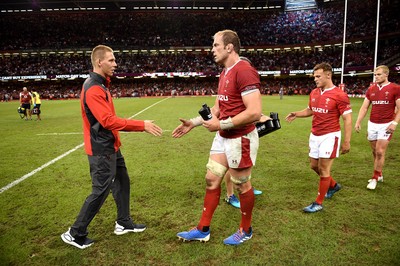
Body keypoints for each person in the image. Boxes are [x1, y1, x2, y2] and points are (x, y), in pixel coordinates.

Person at [61, 45, 163, 249]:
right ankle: (75, 232)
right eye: (111, 60)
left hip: (110, 146)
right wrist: (142, 125)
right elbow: (107, 121)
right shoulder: (94, 88)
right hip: (101, 150)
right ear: (99, 62)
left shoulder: (101, 85)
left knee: (123, 181)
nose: (116, 64)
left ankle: (123, 222)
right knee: (100, 190)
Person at [172, 30, 262, 245]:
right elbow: (218, 108)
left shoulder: (244, 71)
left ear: (229, 47)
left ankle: (246, 229)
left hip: (240, 138)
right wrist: (193, 123)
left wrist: (220, 124)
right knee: (212, 179)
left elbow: (255, 112)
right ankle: (203, 229)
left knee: (241, 185)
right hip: (223, 135)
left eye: (215, 45)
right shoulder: (224, 73)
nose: (212, 50)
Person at [285, 62, 352, 213]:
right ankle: (334, 186)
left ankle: (318, 203)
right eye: (314, 76)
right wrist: (297, 114)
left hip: (330, 135)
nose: (315, 79)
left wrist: (346, 141)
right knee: (314, 166)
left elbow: (347, 119)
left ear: (328, 75)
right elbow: (310, 110)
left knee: (323, 168)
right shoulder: (314, 92)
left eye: (318, 76)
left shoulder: (339, 95)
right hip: (315, 134)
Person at [354, 65, 400, 190]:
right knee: (375, 151)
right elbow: (364, 107)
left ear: (386, 74)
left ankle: (374, 178)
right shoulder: (371, 89)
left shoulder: (395, 88)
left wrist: (394, 123)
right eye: (375, 74)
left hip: (386, 124)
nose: (376, 76)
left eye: (379, 74)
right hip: (372, 124)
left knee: (380, 151)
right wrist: (358, 121)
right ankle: (379, 174)